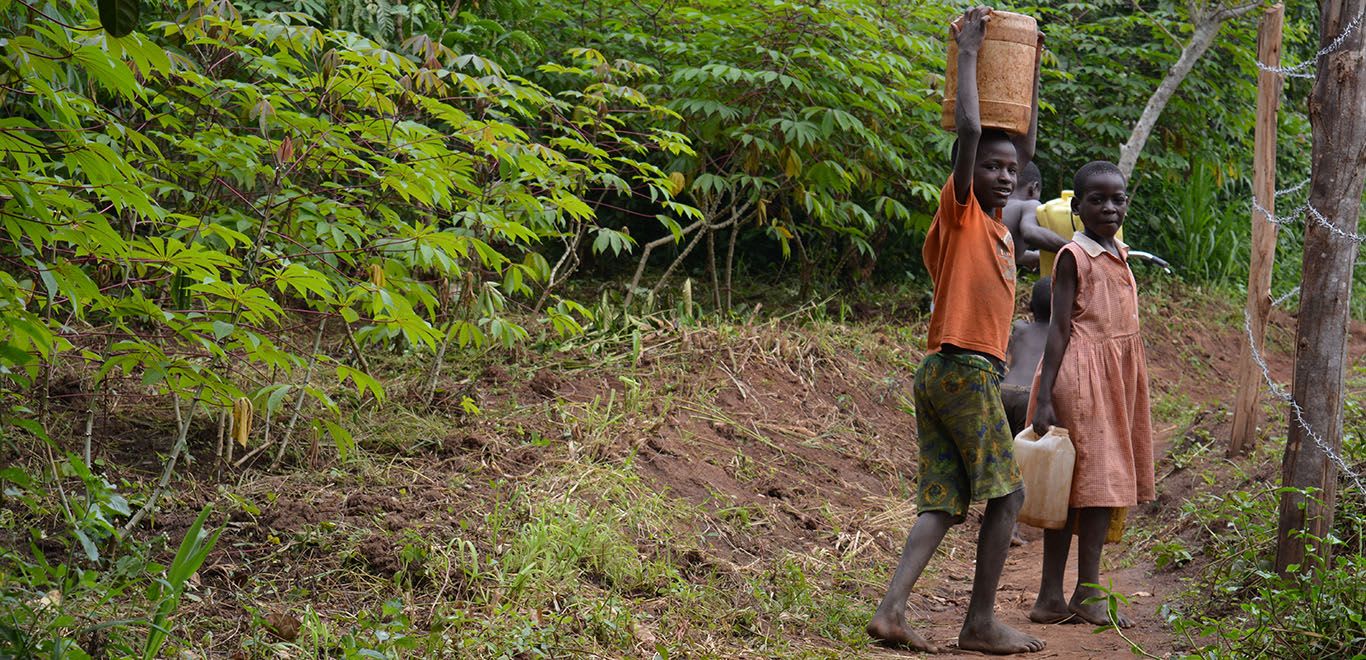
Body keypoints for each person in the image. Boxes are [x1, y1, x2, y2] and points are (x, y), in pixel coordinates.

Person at [866, 6, 1045, 654]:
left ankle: (891, 611)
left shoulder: (1000, 232)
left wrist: (1030, 71)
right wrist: (970, 52)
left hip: (945, 374)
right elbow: (972, 127)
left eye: (1009, 171)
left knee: (944, 502)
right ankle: (978, 621)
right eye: (989, 166)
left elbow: (1021, 140)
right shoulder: (963, 215)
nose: (1002, 174)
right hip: (964, 373)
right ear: (964, 175)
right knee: (1008, 495)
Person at [1027, 160, 1155, 628]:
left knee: (1085, 486)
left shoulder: (1118, 251)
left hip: (1113, 379)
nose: (1109, 207)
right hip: (1079, 377)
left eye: (1117, 199)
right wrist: (1044, 398)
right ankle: (1080, 592)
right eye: (1097, 200)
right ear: (1077, 207)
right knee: (1088, 488)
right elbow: (1059, 329)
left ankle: (1058, 596)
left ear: (1127, 203)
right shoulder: (1073, 256)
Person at [1001, 276, 1051, 547]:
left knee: (1005, 455)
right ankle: (1011, 528)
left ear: (1030, 306)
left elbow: (1009, 356)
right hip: (1028, 396)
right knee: (1021, 463)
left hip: (1004, 391)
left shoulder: (1020, 328)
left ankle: (996, 516)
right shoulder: (1059, 332)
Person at [1001, 163, 1054, 269]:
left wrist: (1032, 256)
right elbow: (1031, 233)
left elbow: (998, 251)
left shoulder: (991, 207)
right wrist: (1073, 247)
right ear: (1034, 187)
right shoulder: (1029, 205)